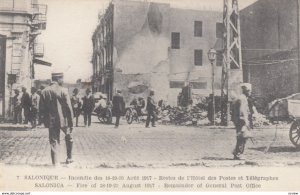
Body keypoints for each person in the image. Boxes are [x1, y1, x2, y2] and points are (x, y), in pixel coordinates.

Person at [41, 72, 74, 165]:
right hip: (64, 120)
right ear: (58, 78)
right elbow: (69, 108)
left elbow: (42, 109)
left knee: (54, 141)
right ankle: (69, 158)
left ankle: (55, 164)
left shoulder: (44, 91)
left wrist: (44, 121)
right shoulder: (64, 90)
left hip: (51, 121)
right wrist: (71, 122)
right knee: (69, 137)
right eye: (62, 79)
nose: (63, 81)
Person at [232, 83, 253, 160]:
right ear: (247, 91)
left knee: (241, 137)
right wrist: (245, 121)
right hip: (241, 121)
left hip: (239, 120)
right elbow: (242, 111)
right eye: (249, 91)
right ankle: (238, 154)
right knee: (242, 137)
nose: (250, 93)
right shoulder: (243, 99)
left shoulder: (241, 97)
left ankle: (237, 152)